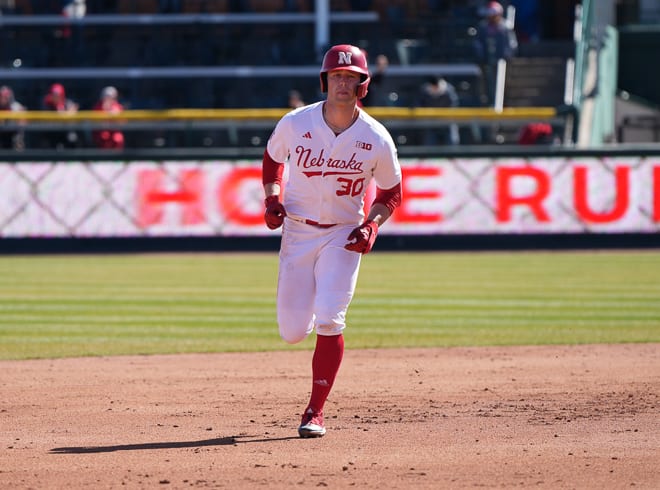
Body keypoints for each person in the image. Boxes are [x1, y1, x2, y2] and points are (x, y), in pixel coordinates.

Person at [262, 44, 402, 438]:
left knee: (330, 318)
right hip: (298, 232)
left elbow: (391, 193)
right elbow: (273, 159)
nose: (343, 82)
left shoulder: (376, 137)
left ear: (363, 85)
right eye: (337, 76)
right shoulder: (296, 123)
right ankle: (310, 311)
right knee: (292, 331)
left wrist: (372, 225)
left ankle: (314, 412)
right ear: (325, 81)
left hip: (344, 233)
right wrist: (272, 197)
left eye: (351, 77)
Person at [472, 1, 518, 106]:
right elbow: (478, 44)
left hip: (502, 62)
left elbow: (511, 44)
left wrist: (506, 56)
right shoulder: (483, 27)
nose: (492, 17)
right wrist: (481, 56)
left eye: (494, 15)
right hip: (487, 61)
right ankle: (490, 102)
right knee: (487, 83)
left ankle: (504, 103)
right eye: (490, 15)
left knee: (503, 83)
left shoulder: (505, 27)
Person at [417, 75, 460, 145]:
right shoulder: (424, 91)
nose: (435, 87)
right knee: (428, 145)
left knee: (452, 144)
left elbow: (454, 106)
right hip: (431, 123)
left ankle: (452, 155)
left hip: (447, 122)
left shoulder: (448, 90)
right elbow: (418, 105)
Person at [41, 82, 80, 149]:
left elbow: (75, 109)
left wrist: (67, 113)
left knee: (72, 137)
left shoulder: (67, 103)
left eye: (58, 95)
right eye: (54, 95)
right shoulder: (47, 104)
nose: (56, 97)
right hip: (52, 132)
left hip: (65, 131)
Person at [0, 85, 26, 150]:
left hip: (14, 133)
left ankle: (18, 157)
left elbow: (24, 122)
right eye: (2, 96)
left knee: (18, 139)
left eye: (6, 96)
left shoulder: (16, 107)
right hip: (1, 133)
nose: (5, 98)